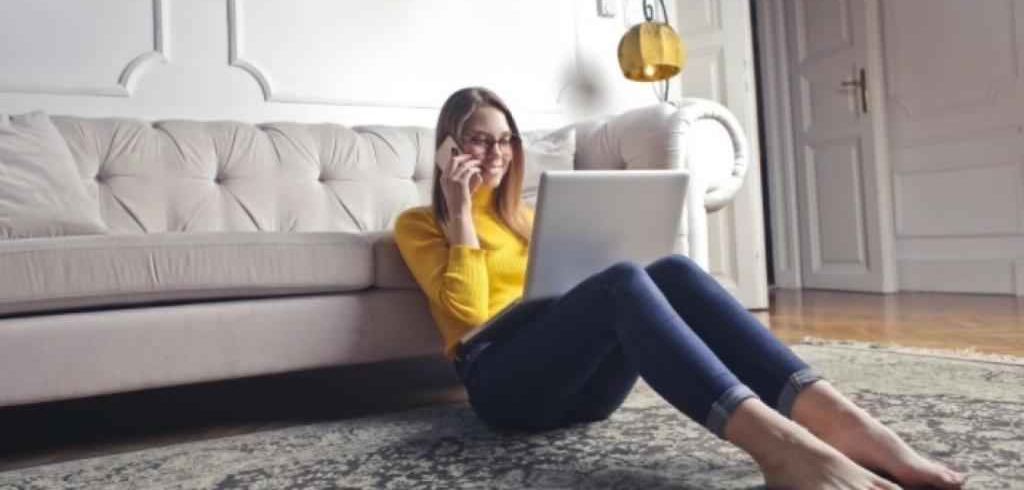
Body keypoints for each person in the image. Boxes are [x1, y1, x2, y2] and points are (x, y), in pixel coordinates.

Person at [394, 87, 967, 490]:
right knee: (620, 281)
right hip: (501, 386)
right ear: (450, 147)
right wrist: (461, 214)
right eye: (478, 140)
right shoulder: (419, 224)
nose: (495, 154)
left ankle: (840, 420)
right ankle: (780, 449)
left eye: (505, 141)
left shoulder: (528, 217)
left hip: (587, 395)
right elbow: (465, 312)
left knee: (669, 269)